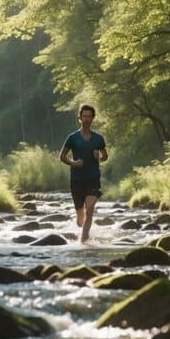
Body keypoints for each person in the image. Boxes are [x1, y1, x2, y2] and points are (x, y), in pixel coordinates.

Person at [59, 104, 108, 243]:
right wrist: (73, 163)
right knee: (81, 218)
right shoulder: (72, 137)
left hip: (93, 177)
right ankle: (81, 226)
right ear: (80, 118)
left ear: (92, 118)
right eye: (84, 116)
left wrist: (98, 156)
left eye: (89, 116)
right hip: (77, 179)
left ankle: (84, 241)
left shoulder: (98, 138)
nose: (87, 119)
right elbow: (62, 157)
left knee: (90, 210)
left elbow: (105, 157)